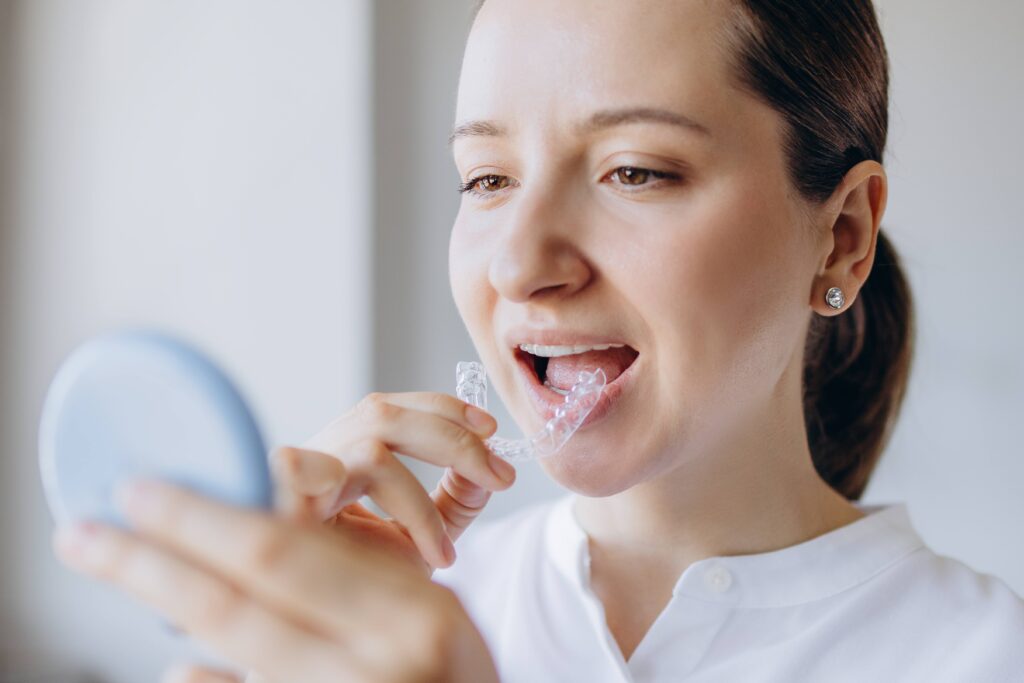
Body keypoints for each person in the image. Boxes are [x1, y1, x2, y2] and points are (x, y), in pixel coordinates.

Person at [54, 0, 1024, 681]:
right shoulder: (386, 619)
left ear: (842, 233)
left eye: (634, 171)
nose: (519, 262)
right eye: (484, 179)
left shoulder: (985, 656)